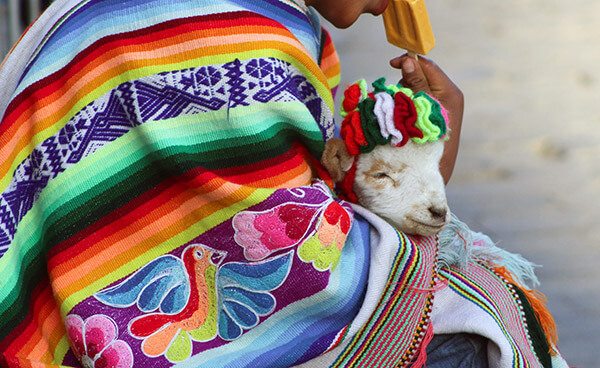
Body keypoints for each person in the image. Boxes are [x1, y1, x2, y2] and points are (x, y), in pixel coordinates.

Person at [0, 0, 566, 367]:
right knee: (477, 331)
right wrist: (427, 174)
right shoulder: (244, 38)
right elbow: (306, 271)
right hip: (150, 340)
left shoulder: (277, 24)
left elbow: (300, 201)